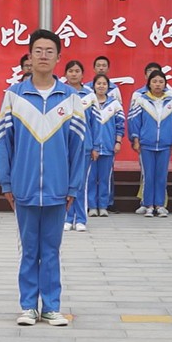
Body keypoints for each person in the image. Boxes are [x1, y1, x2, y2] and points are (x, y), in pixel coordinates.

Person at [0, 29, 86, 327]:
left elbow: (79, 146)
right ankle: (28, 307)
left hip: (59, 189)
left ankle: (51, 306)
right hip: (24, 187)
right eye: (38, 50)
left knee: (51, 250)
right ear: (29, 57)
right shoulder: (14, 96)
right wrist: (7, 182)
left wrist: (73, 186)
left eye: (49, 51)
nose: (43, 56)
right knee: (29, 249)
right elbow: (2, 143)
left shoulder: (71, 98)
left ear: (58, 58)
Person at [128, 70, 172, 218]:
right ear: (149, 83)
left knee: (161, 176)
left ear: (165, 84)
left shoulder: (170, 101)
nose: (157, 84)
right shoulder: (142, 100)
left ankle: (160, 205)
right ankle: (148, 205)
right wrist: (136, 139)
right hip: (146, 144)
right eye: (154, 81)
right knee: (149, 176)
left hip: (165, 144)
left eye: (161, 82)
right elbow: (135, 121)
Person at [84, 74, 124, 221]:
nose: (101, 86)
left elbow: (120, 125)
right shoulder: (88, 103)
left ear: (108, 87)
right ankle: (92, 206)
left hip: (108, 147)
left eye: (104, 84)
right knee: (91, 178)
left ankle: (103, 206)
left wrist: (118, 142)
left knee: (105, 178)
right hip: (91, 148)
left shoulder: (115, 104)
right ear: (93, 86)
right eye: (98, 83)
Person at [62, 60, 93, 231]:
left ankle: (80, 218)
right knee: (66, 183)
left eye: (77, 71)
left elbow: (96, 123)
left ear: (82, 74)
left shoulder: (89, 96)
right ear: (65, 74)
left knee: (80, 183)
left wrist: (96, 146)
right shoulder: (61, 93)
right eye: (71, 71)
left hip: (84, 146)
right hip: (64, 146)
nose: (74, 74)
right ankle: (67, 217)